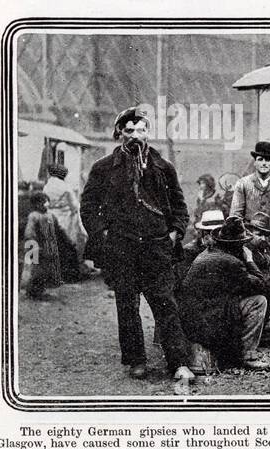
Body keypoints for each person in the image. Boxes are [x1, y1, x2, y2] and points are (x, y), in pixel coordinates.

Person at [81, 107, 193, 382]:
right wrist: (103, 236)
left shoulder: (163, 168)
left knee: (166, 305)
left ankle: (179, 363)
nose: (135, 136)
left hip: (157, 249)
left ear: (148, 133)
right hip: (122, 249)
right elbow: (88, 207)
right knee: (127, 307)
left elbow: (180, 208)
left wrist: (174, 234)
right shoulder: (104, 168)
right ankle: (137, 361)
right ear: (120, 133)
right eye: (129, 131)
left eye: (140, 130)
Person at [177, 216, 270, 370]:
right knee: (259, 301)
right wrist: (249, 260)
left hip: (194, 319)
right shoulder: (231, 262)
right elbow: (261, 284)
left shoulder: (208, 254)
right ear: (236, 245)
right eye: (242, 244)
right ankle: (247, 355)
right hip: (207, 323)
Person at [231, 141, 270, 254]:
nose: (264, 163)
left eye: (268, 160)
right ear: (255, 162)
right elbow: (235, 216)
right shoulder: (243, 184)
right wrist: (241, 241)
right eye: (260, 159)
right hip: (249, 242)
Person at [23, 192, 62, 299]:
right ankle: (33, 291)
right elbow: (29, 232)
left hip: (49, 247)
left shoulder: (51, 215)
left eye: (46, 201)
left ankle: (40, 290)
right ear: (35, 204)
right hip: (37, 246)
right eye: (42, 202)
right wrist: (33, 245)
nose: (46, 204)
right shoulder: (34, 216)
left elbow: (58, 230)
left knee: (46, 269)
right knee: (37, 269)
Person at [189, 174, 223, 241]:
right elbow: (198, 211)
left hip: (214, 222)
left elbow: (220, 210)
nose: (201, 186)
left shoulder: (217, 195)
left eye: (203, 183)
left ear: (209, 183)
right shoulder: (200, 196)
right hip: (202, 222)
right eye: (200, 183)